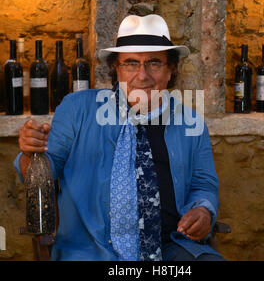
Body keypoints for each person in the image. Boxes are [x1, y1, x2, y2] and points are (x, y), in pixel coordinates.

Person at [14, 14, 225, 261]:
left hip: (170, 249)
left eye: (154, 62)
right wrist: (31, 154)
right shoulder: (77, 109)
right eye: (131, 63)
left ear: (171, 70)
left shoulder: (191, 123)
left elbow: (204, 184)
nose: (142, 75)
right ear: (117, 69)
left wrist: (203, 210)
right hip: (92, 251)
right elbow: (43, 174)